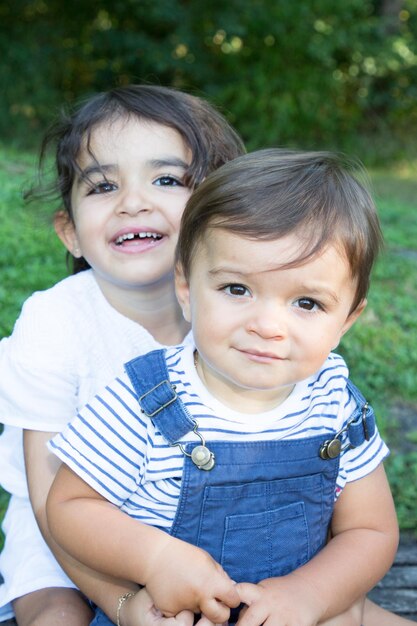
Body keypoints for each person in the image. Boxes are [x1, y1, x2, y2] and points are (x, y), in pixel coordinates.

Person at [46, 149, 402, 626]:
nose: (268, 325)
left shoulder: (335, 402)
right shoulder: (145, 401)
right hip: (171, 614)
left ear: (346, 320)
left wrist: (309, 595)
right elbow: (70, 506)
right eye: (238, 289)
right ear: (187, 288)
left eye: (307, 302)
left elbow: (371, 530)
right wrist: (153, 559)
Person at [0, 83, 245, 626]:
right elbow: (48, 502)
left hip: (187, 521)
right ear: (70, 232)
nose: (132, 201)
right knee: (56, 614)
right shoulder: (56, 323)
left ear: (219, 207)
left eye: (164, 179)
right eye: (104, 186)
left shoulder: (241, 317)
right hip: (62, 530)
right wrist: (121, 602)